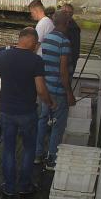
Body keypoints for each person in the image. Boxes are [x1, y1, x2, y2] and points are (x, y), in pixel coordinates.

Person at [0, 27, 56, 196]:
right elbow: (40, 89)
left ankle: (9, 187)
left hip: (7, 111)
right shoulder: (36, 61)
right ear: (32, 41)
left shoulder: (3, 56)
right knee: (29, 149)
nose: (37, 46)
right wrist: (50, 103)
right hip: (27, 113)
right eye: (37, 43)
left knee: (8, 149)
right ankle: (24, 186)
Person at [35, 10, 77, 170]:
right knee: (58, 125)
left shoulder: (46, 38)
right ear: (66, 24)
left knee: (43, 120)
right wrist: (69, 94)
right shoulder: (64, 42)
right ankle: (51, 159)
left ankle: (38, 155)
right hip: (58, 91)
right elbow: (63, 71)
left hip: (45, 88)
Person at [62, 4, 81, 77]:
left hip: (69, 60)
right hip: (64, 59)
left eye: (70, 12)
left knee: (66, 80)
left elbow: (74, 48)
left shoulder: (73, 28)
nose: (67, 14)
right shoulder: (64, 24)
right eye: (65, 12)